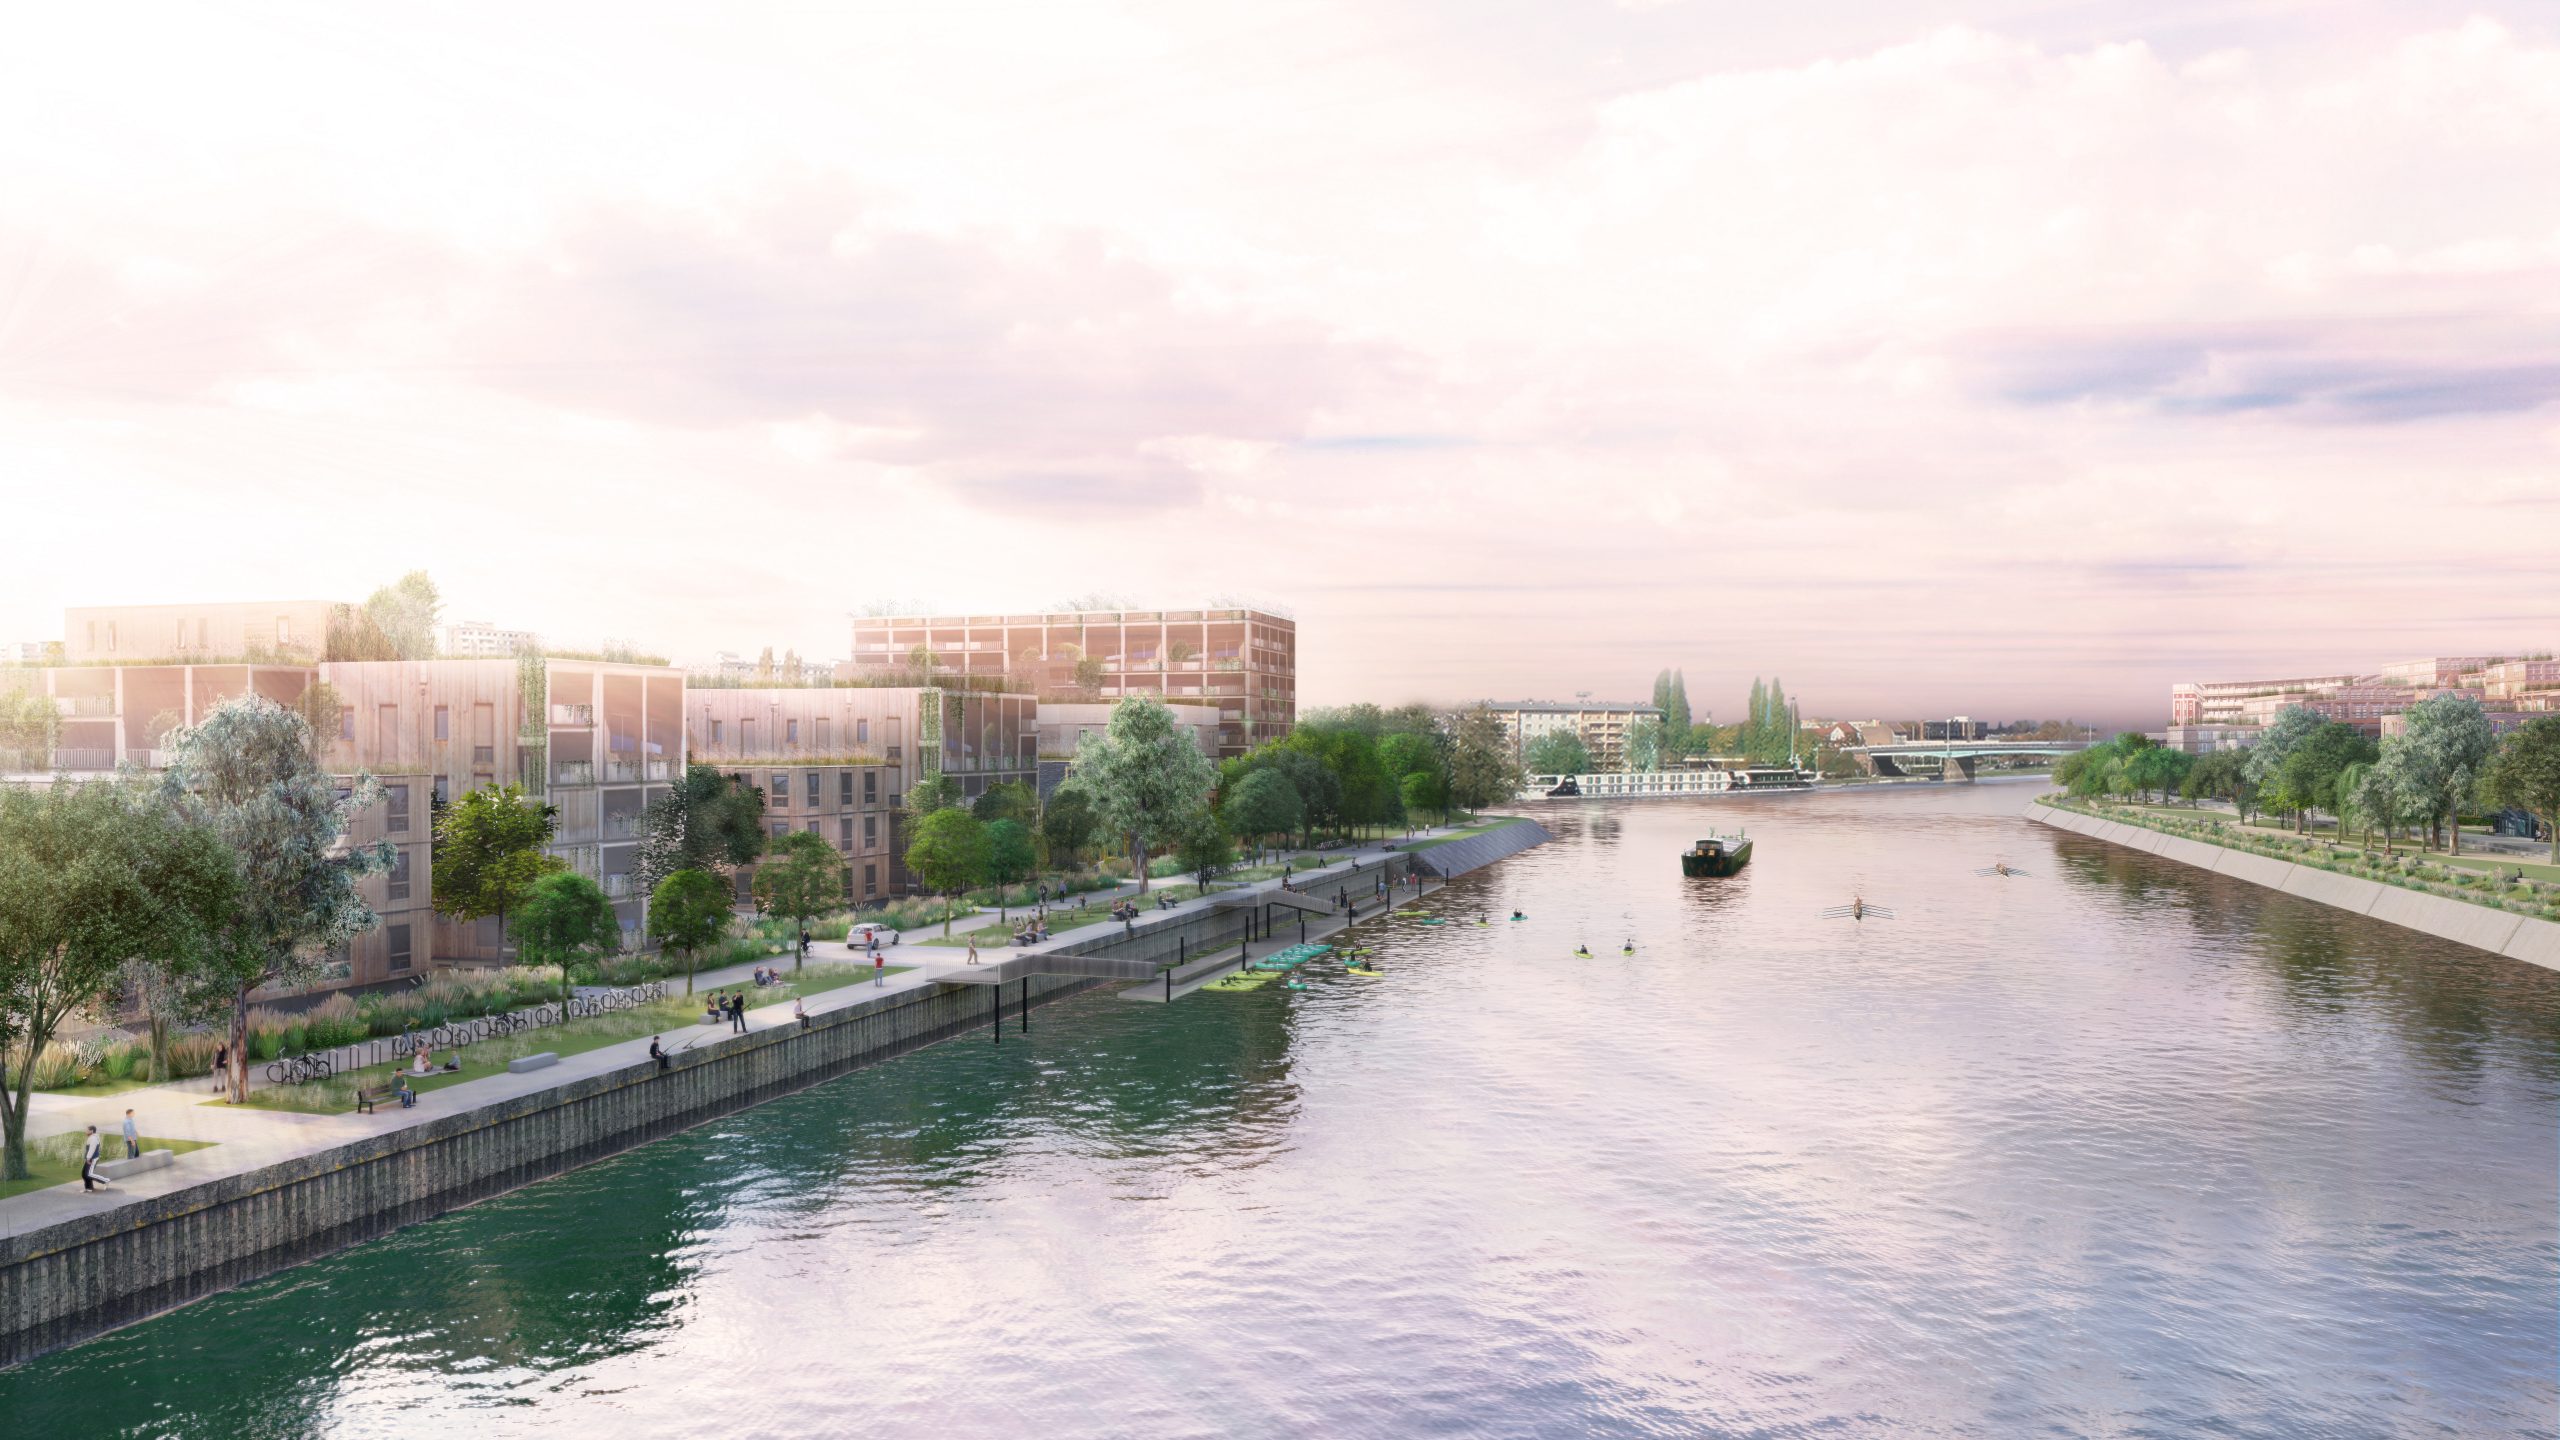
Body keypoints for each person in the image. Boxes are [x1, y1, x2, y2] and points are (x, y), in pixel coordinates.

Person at [81, 1125, 108, 1192]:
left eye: (87, 1130)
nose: (85, 1131)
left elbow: (92, 1149)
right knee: (84, 1174)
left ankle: (105, 1181)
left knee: (88, 1174)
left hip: (92, 1159)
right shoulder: (92, 1137)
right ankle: (89, 1188)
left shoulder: (93, 1138)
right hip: (90, 1158)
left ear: (91, 1131)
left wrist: (88, 1158)